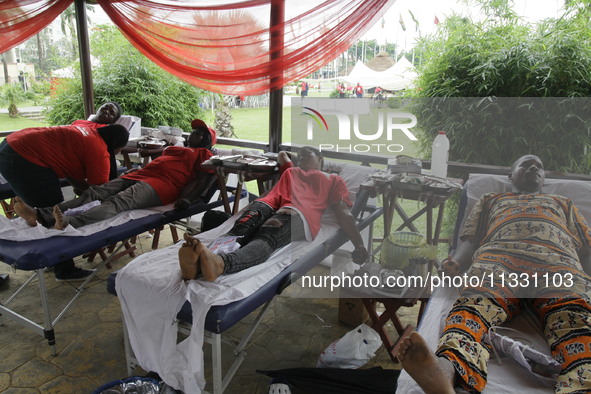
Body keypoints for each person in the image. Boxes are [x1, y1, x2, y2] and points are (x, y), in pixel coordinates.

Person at [397, 154, 591, 393]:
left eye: (539, 166)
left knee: (576, 321)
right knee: (471, 311)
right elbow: (471, 239)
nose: (533, 168)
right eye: (526, 164)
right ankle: (444, 371)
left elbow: (586, 248)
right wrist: (456, 263)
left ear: (544, 178)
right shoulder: (492, 199)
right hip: (498, 262)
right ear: (511, 175)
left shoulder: (562, 202)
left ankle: (581, 387)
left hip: (558, 265)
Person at [178, 146, 370, 281]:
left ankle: (221, 263)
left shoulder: (332, 179)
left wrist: (359, 244)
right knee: (240, 229)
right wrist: (294, 158)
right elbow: (282, 155)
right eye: (299, 156)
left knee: (265, 237)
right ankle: (200, 260)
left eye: (306, 155)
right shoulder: (292, 170)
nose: (301, 158)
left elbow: (344, 213)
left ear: (320, 159)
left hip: (295, 212)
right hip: (266, 204)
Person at [14, 119, 216, 231]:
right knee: (95, 192)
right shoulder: (177, 147)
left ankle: (68, 223)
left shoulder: (204, 154)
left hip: (161, 185)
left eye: (199, 133)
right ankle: (43, 214)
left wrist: (187, 199)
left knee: (117, 202)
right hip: (140, 174)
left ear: (207, 141)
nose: (194, 134)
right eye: (194, 131)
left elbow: (203, 179)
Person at [0, 123, 129, 280]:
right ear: (115, 146)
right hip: (24, 156)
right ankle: (64, 269)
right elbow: (100, 192)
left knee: (50, 208)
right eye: (120, 150)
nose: (118, 153)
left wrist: (82, 192)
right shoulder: (100, 151)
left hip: (11, 144)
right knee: (57, 214)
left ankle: (49, 248)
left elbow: (70, 171)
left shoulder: (88, 133)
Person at [72, 101, 124, 180]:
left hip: (81, 160)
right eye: (105, 107)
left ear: (113, 121)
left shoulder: (104, 131)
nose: (106, 111)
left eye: (111, 113)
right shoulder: (78, 122)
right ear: (99, 108)